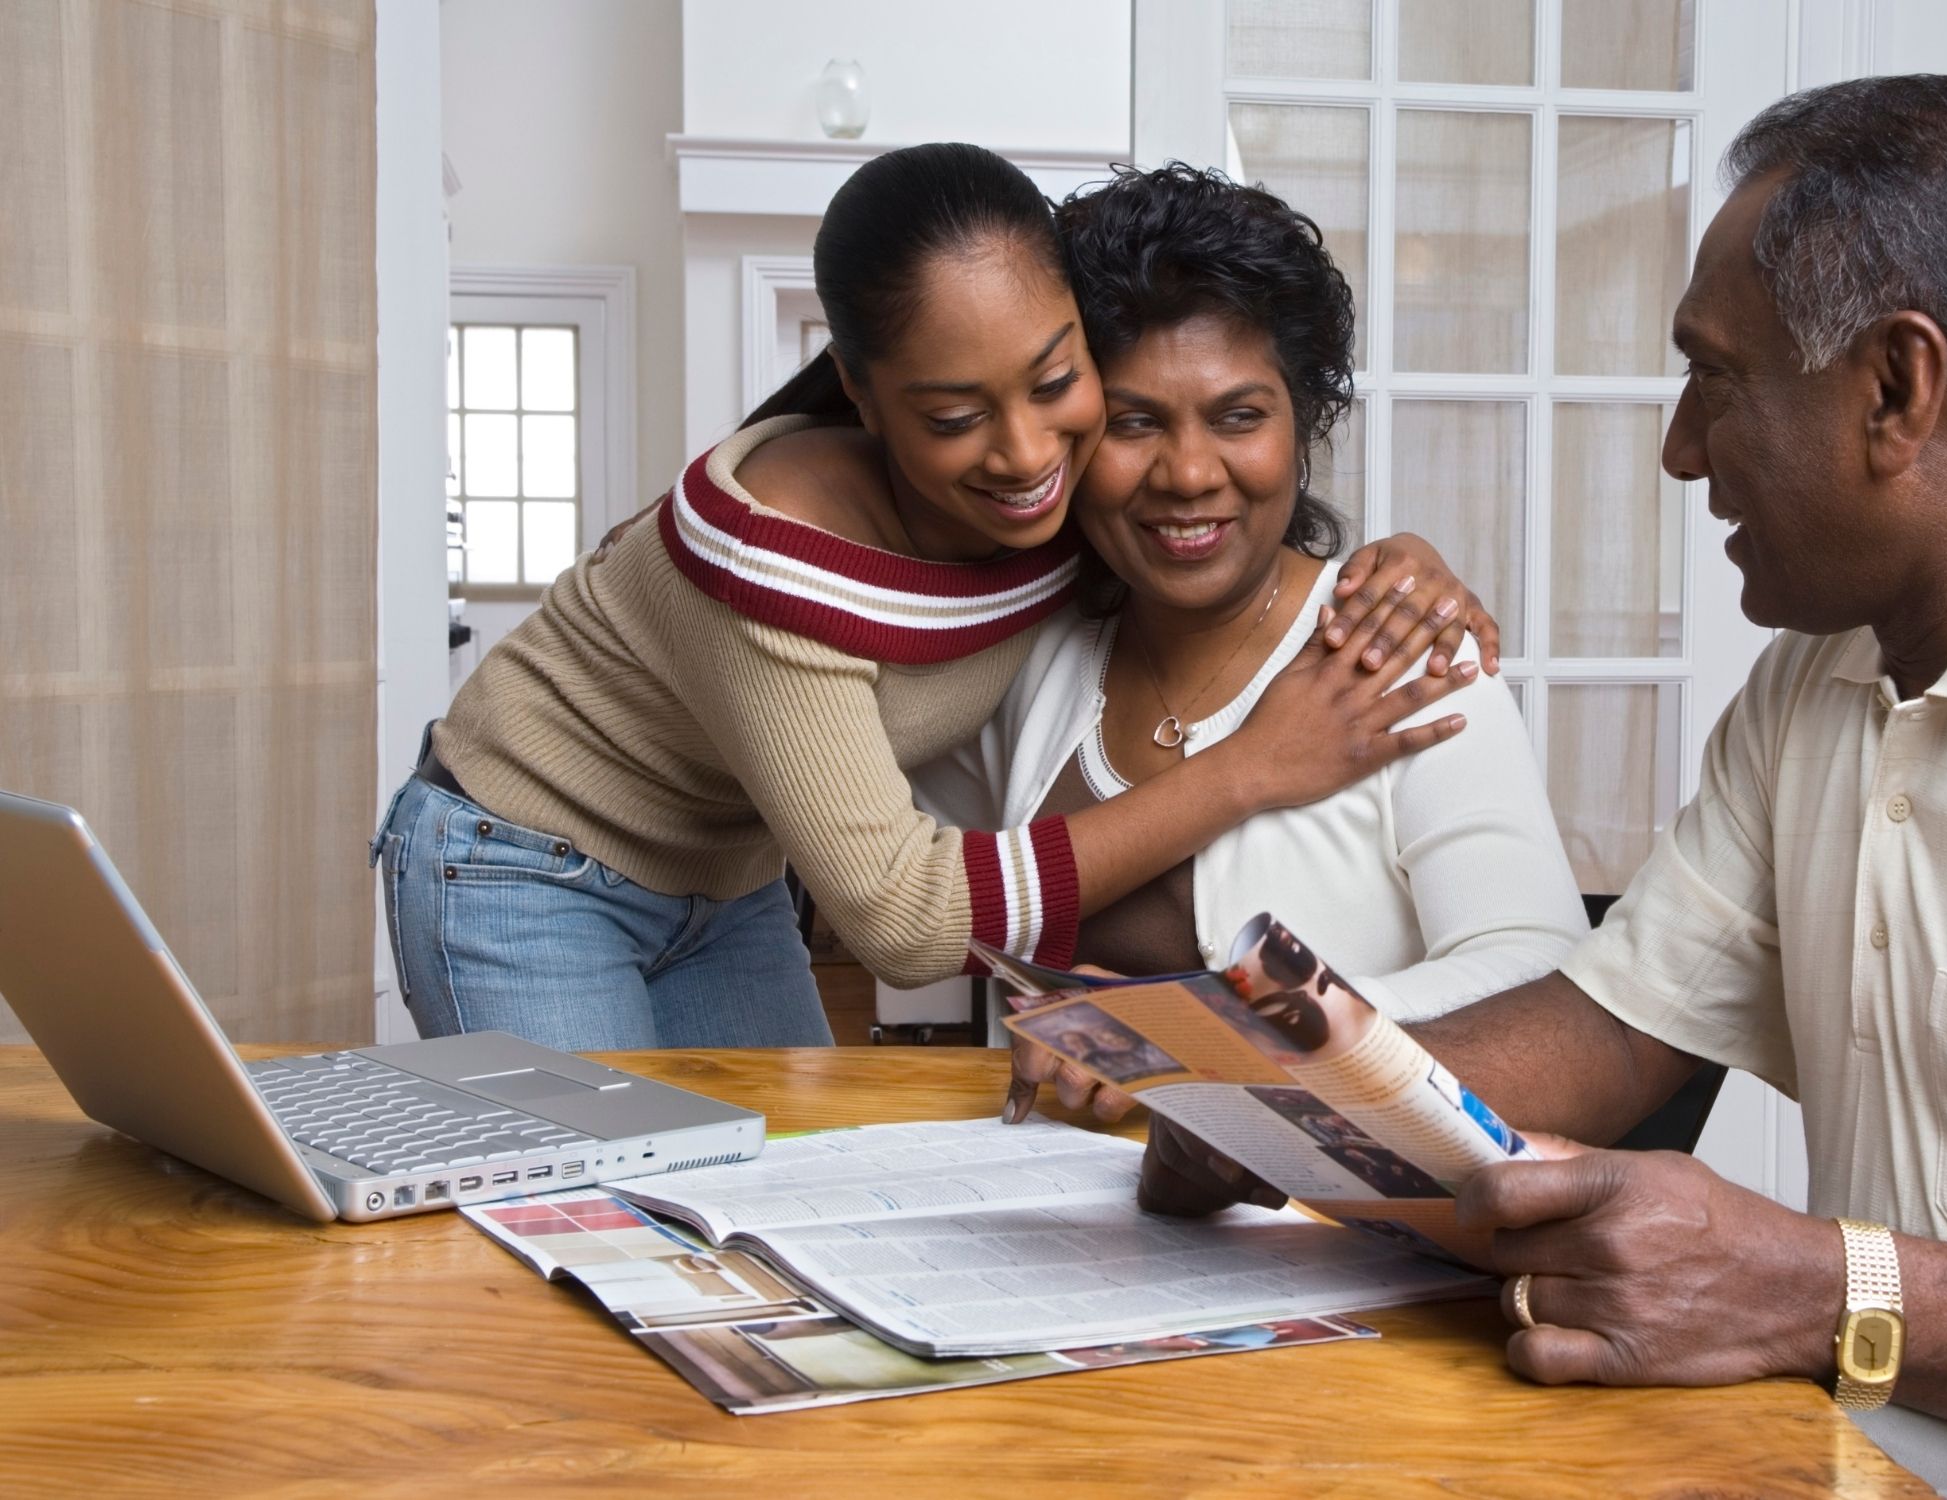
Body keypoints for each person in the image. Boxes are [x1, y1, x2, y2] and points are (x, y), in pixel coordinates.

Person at [1028, 80, 1947, 1483]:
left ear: (1896, 389)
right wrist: (1277, 1117)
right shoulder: (1816, 684)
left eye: (1714, 379)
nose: (1676, 449)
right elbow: (1609, 1035)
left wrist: (1820, 1287)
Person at [372, 143, 1510, 1052]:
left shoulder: (1067, 498)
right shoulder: (774, 557)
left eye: (1062, 384)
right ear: (863, 396)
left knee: (773, 1209)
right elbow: (907, 925)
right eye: (956, 418)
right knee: (585, 1221)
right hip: (519, 858)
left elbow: (1202, 499)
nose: (1025, 455)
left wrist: (1389, 562)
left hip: (724, 877)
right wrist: (1257, 766)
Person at [910, 165, 1584, 1124]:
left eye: (1238, 417)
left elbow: (1540, 977)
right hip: (1043, 1220)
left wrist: (1218, 1037)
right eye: (1135, 423)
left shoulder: (1405, 654)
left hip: (1311, 1240)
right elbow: (910, 877)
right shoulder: (1032, 659)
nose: (1188, 474)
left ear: (1303, 425)